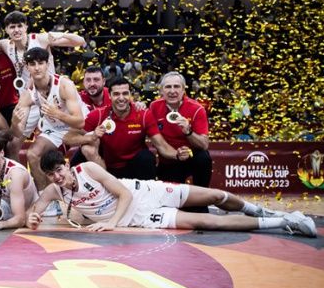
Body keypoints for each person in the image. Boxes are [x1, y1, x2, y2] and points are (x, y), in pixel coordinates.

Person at [26, 149, 317, 238]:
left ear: (66, 166)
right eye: (51, 175)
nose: (57, 178)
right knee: (207, 222)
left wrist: (111, 222)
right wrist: (34, 219)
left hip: (144, 192)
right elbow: (35, 210)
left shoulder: (88, 168)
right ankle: (285, 221)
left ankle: (262, 211)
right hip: (141, 217)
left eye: (59, 171)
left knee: (215, 196)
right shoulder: (54, 190)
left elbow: (123, 195)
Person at [64, 77, 187, 181]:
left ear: (130, 95)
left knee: (147, 157)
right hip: (108, 169)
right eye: (116, 94)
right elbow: (68, 138)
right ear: (110, 96)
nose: (121, 98)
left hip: (134, 169)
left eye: (125, 93)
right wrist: (92, 136)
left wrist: (177, 154)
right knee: (88, 148)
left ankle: (148, 200)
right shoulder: (99, 115)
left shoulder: (143, 115)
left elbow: (161, 145)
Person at [11, 47, 88, 190]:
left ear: (47, 64)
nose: (37, 68)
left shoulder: (64, 85)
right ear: (27, 68)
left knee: (93, 149)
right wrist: (14, 123)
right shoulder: (28, 94)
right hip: (55, 129)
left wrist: (57, 113)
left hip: (80, 127)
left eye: (40, 63)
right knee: (32, 154)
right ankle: (47, 198)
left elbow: (80, 121)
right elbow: (18, 132)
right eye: (32, 64)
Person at [149, 71, 213, 213]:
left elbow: (204, 144)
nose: (172, 91)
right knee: (170, 206)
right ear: (161, 90)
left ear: (183, 90)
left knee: (204, 158)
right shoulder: (154, 107)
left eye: (177, 87)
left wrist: (188, 132)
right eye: (168, 87)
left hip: (191, 157)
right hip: (169, 159)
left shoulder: (196, 109)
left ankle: (201, 203)